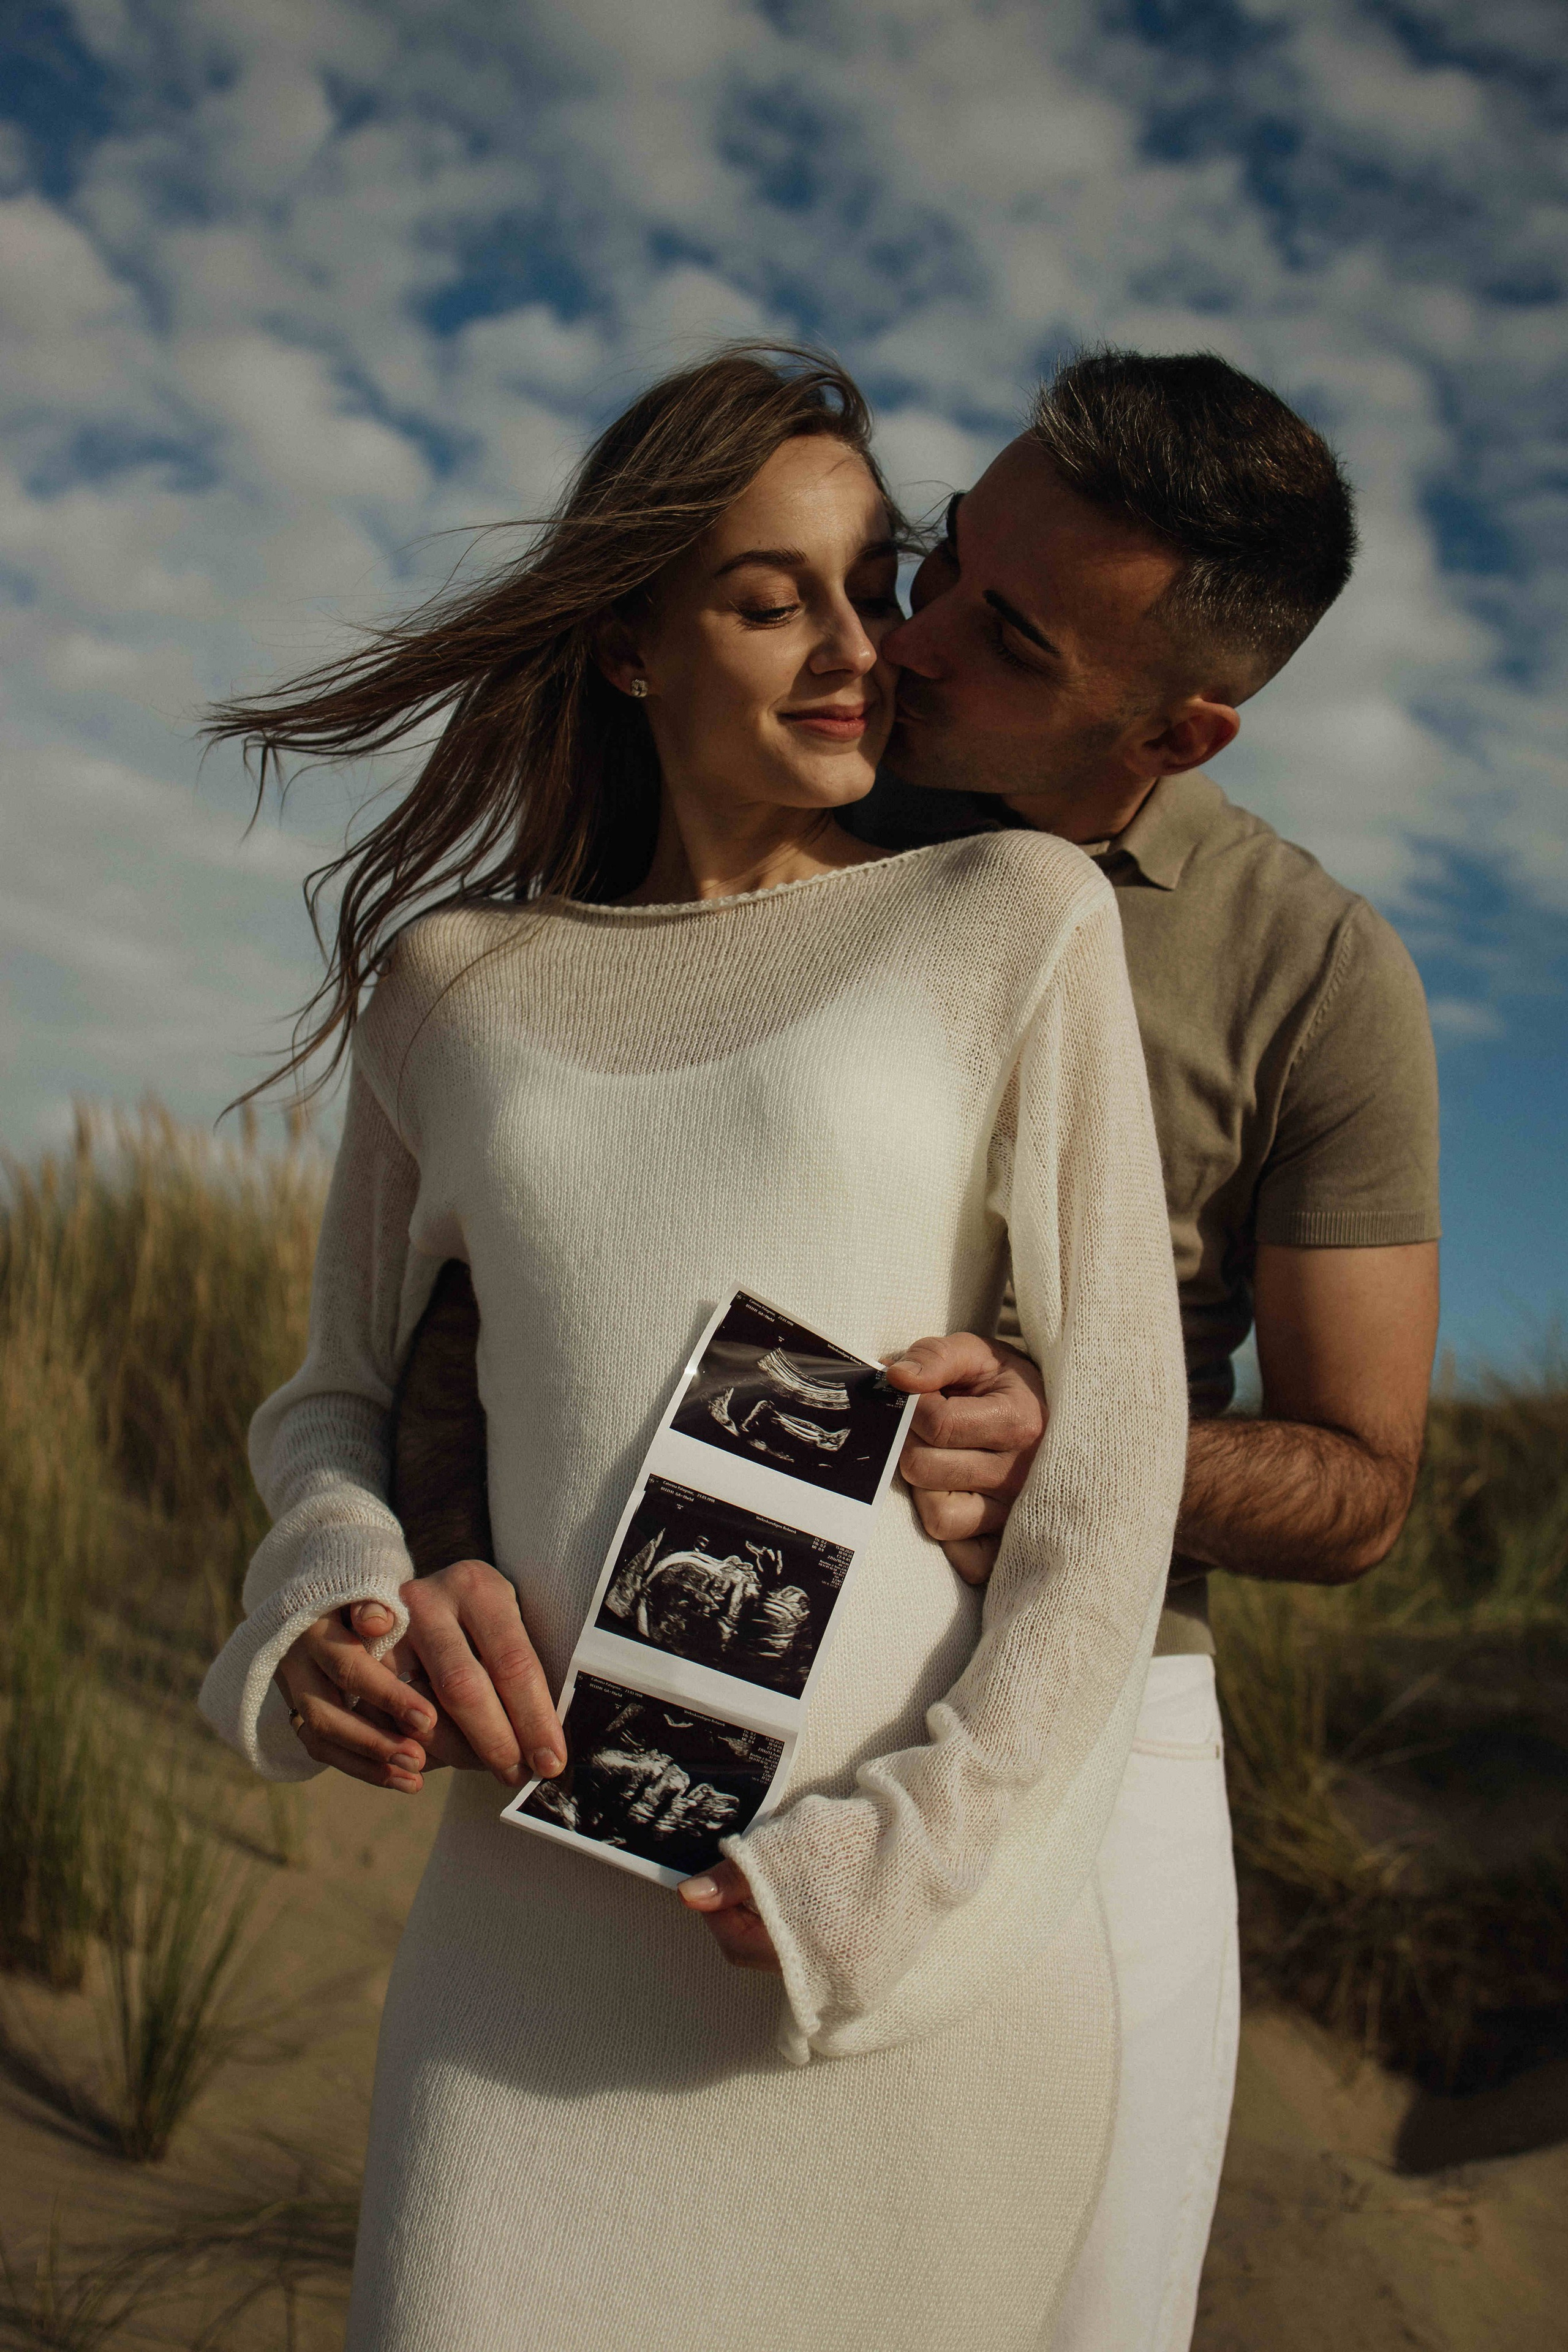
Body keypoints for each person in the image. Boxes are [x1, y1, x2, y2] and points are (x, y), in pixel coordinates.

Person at [390, 349, 1442, 2351]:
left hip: (1092, 1732)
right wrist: (451, 1575)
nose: (918, 642)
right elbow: (481, 1302)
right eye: (941, 555)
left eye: (1009, 634)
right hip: (647, 1735)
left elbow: (1366, 1477)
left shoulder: (1318, 973)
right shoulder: (796, 768)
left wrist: (1090, 1443)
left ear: (1184, 724)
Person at [197, 345, 1188, 2352]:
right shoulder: (450, 986)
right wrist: (338, 1602)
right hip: (532, 1948)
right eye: (769, 597)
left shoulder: (1013, 914)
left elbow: (1116, 1466)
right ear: (635, 649)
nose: (856, 647)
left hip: (896, 1965)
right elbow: (337, 1406)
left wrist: (899, 1878)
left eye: (868, 577)